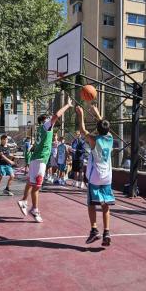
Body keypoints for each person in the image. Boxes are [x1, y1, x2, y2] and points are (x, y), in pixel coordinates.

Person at [17, 98, 73, 222]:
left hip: (35, 159)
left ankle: (24, 200)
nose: (50, 119)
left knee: (31, 182)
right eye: (48, 118)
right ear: (45, 120)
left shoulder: (39, 130)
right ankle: (35, 209)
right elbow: (57, 115)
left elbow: (36, 146)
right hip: (40, 160)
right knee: (37, 186)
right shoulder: (46, 126)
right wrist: (67, 105)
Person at [75, 104, 114, 246]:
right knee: (105, 204)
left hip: (96, 176)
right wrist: (97, 114)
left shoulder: (94, 140)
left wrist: (80, 115)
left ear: (97, 129)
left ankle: (94, 230)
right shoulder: (110, 138)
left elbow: (82, 130)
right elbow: (104, 126)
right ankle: (107, 232)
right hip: (107, 176)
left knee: (91, 203)